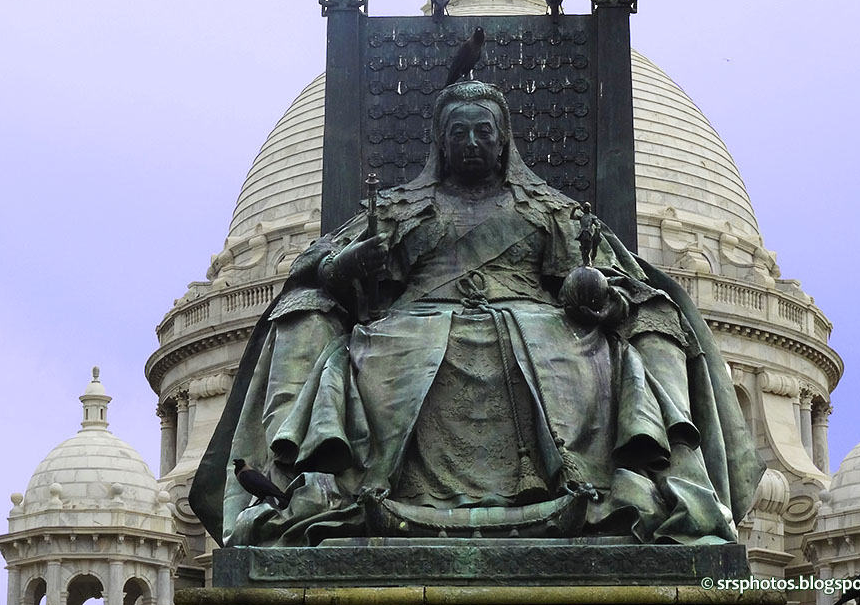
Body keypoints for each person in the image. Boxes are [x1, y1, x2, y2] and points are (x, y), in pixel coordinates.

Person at [191, 80, 762, 547]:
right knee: (355, 331)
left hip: (538, 324)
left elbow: (599, 282)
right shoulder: (396, 209)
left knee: (619, 329)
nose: (470, 141)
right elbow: (320, 275)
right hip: (412, 324)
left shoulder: (549, 210)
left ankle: (658, 485)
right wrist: (351, 265)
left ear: (502, 140)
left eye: (482, 131)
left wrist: (596, 292)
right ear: (440, 142)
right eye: (458, 132)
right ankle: (305, 488)